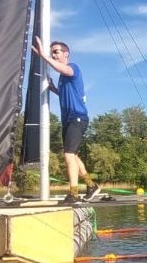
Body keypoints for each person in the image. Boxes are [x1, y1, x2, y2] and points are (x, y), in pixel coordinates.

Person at [32, 37, 101, 203]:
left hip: (77, 117)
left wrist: (43, 56)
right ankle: (91, 186)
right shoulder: (63, 79)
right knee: (74, 156)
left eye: (56, 52)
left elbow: (63, 69)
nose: (54, 55)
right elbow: (66, 94)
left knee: (68, 155)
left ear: (66, 54)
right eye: (52, 53)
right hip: (68, 120)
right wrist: (54, 88)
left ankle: (73, 194)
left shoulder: (72, 68)